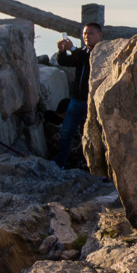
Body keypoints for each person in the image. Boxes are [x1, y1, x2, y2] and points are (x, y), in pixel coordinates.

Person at [52, 22, 102, 167]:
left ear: (100, 35)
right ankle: (59, 162)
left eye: (91, 33)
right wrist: (62, 51)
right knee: (66, 133)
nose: (87, 36)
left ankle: (96, 167)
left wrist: (72, 48)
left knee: (95, 137)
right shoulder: (83, 52)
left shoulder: (100, 52)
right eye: (85, 33)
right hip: (76, 100)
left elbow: (88, 60)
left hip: (91, 102)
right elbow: (65, 62)